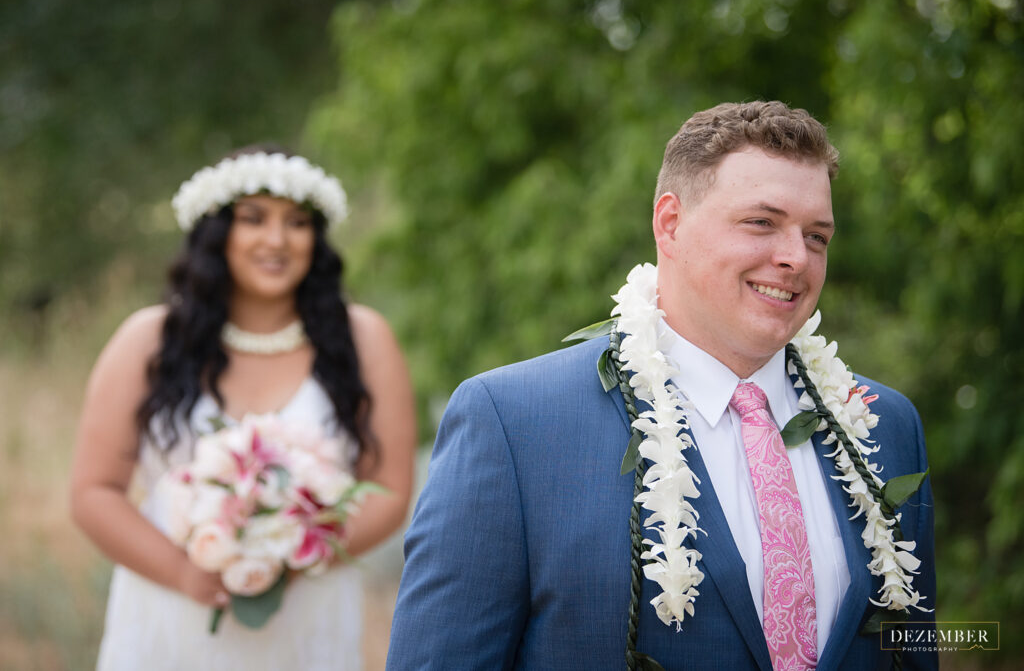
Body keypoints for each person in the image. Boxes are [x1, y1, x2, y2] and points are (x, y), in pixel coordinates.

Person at [386, 102, 936, 670]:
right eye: (761, 222)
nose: (795, 257)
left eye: (817, 236)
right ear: (669, 224)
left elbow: (913, 650)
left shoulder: (884, 426)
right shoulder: (513, 425)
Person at [71, 145, 417, 670]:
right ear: (216, 234)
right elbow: (93, 492)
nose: (276, 240)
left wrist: (295, 555)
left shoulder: (363, 339)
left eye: (297, 223)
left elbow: (389, 489)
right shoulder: (147, 339)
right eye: (253, 219)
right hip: (171, 612)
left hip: (308, 611)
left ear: (316, 240)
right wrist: (188, 573)